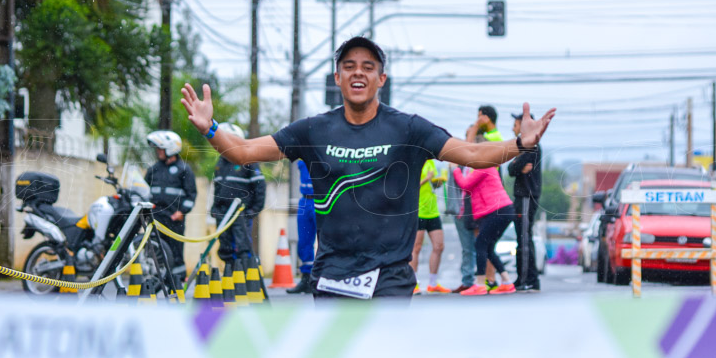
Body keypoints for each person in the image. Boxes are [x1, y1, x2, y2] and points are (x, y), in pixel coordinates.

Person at [180, 36, 556, 300]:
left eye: (368, 67)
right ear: (337, 78)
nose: (358, 73)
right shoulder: (313, 129)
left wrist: (521, 143)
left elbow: (473, 155)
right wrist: (211, 129)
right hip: (331, 278)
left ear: (381, 79)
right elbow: (244, 151)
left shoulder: (409, 128)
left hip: (390, 279)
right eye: (349, 66)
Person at [451, 162, 518, 295]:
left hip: (497, 210)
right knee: (488, 247)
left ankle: (480, 284)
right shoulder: (484, 168)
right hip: (501, 210)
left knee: (480, 244)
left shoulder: (483, 167)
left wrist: (455, 170)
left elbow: (465, 185)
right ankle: (507, 282)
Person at [209, 123, 266, 265]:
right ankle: (231, 279)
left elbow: (260, 187)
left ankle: (246, 279)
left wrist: (253, 210)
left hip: (240, 212)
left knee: (242, 247)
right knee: (225, 249)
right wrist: (215, 208)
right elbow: (217, 188)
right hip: (223, 212)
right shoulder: (220, 162)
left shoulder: (248, 160)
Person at [145, 130, 197, 274]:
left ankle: (178, 279)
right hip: (155, 217)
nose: (158, 151)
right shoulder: (153, 169)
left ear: (171, 148)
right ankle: (156, 278)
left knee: (175, 251)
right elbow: (144, 190)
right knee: (155, 250)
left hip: (173, 219)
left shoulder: (184, 169)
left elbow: (191, 195)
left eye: (160, 148)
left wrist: (181, 212)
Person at [509, 112, 543, 292]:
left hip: (526, 196)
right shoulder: (524, 145)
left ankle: (526, 279)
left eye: (515, 124)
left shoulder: (531, 145)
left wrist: (516, 164)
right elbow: (512, 168)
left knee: (523, 238)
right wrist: (516, 165)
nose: (513, 128)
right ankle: (527, 278)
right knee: (523, 238)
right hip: (524, 196)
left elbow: (512, 168)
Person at [409, 159, 448, 294]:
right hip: (418, 211)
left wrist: (440, 181)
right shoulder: (414, 161)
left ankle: (432, 283)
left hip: (433, 210)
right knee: (416, 247)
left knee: (439, 246)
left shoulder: (430, 162)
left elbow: (433, 185)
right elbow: (410, 187)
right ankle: (414, 283)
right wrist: (426, 178)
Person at [286, 159, 317, 294]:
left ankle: (322, 278)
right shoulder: (303, 151)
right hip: (305, 200)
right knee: (304, 241)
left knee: (325, 240)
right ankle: (306, 278)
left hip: (321, 198)